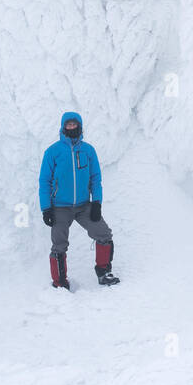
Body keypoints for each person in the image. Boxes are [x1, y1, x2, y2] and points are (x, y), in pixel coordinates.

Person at [39, 111, 118, 288]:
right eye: (69, 124)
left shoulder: (88, 150)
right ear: (63, 127)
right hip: (60, 207)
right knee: (59, 244)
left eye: (75, 124)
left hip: (84, 206)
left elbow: (95, 178)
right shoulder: (53, 152)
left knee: (104, 234)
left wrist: (96, 202)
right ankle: (60, 282)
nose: (72, 127)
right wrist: (46, 208)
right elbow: (44, 181)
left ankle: (104, 272)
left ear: (80, 126)